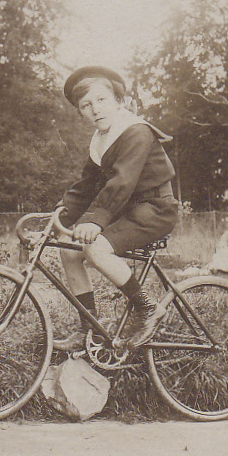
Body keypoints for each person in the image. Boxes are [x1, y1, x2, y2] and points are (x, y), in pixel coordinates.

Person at [55, 66, 178, 351]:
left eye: (101, 100)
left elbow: (122, 182)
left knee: (95, 247)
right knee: (67, 247)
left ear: (117, 101)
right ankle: (91, 332)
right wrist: (59, 216)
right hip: (129, 211)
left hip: (155, 210)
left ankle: (148, 308)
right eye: (86, 105)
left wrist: (97, 222)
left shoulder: (135, 131)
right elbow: (86, 186)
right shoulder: (99, 141)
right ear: (80, 113)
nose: (95, 109)